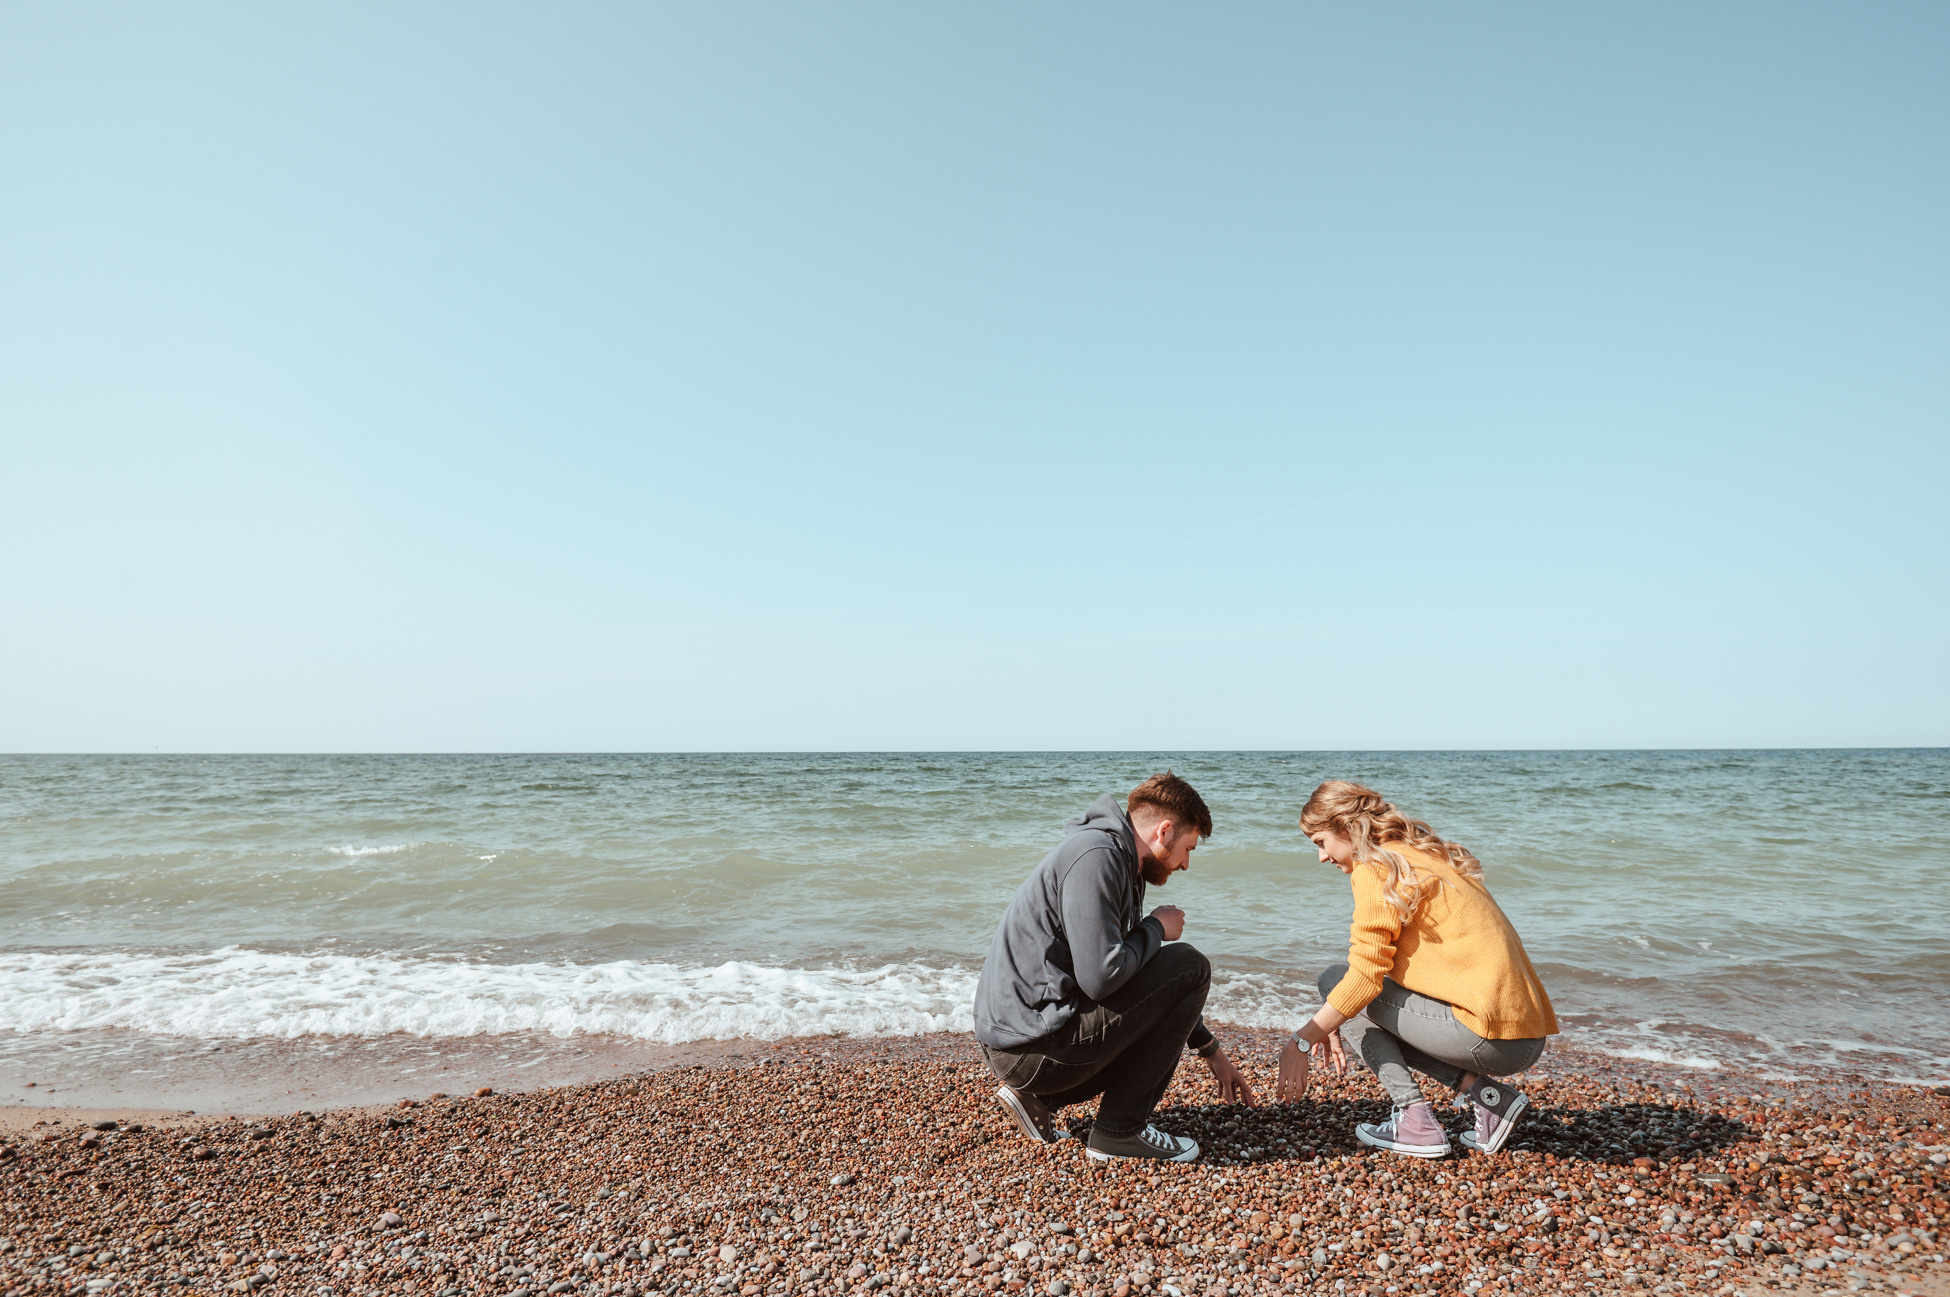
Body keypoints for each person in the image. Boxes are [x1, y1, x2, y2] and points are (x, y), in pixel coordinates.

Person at [973, 772, 1256, 1162]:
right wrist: (1155, 927)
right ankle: (1119, 1132)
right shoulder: (1098, 856)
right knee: (1190, 964)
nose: (1186, 864)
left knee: (1163, 967)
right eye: (1188, 848)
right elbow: (1102, 976)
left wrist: (1208, 1047)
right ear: (1165, 831)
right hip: (1031, 1049)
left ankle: (1039, 1098)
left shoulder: (1116, 857)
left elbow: (1139, 982)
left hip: (1023, 1045)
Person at [1276, 781, 1556, 1158]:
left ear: (1345, 828)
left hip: (1490, 1038)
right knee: (1349, 993)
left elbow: (1363, 978)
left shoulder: (1375, 867)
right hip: (1521, 1034)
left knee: (1335, 980)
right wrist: (1333, 1020)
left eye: (1320, 842)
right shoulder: (1416, 854)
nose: (1322, 857)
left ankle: (1415, 1122)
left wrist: (1303, 1040)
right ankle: (1491, 1099)